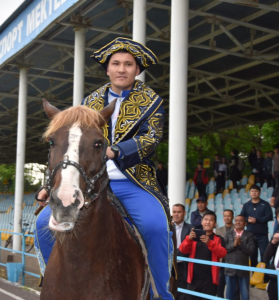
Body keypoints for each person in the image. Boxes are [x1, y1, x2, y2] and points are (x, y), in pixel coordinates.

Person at [36, 37, 174, 299]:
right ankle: (51, 282)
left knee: (156, 228)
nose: (121, 69)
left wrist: (117, 150)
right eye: (116, 64)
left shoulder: (151, 101)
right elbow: (69, 147)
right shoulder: (91, 100)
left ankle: (160, 294)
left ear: (137, 70)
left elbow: (151, 138)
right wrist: (49, 185)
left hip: (133, 182)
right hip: (90, 182)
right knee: (43, 224)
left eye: (128, 64)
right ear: (108, 69)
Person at [179, 211, 227, 299]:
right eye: (206, 219)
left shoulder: (219, 239)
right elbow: (182, 250)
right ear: (201, 222)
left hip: (210, 281)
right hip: (192, 280)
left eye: (211, 220)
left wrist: (210, 243)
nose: (208, 222)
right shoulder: (192, 237)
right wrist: (189, 239)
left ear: (215, 224)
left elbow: (222, 253)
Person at [240, 185, 273, 268]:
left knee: (264, 256)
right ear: (250, 193)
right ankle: (255, 275)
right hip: (250, 235)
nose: (254, 193)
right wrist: (248, 220)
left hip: (262, 235)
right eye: (252, 191)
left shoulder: (265, 204)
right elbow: (242, 216)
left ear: (259, 192)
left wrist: (257, 220)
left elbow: (269, 216)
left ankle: (265, 277)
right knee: (252, 256)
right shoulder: (246, 205)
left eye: (256, 191)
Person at [224, 215, 255, 300]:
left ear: (245, 223)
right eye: (236, 220)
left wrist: (240, 244)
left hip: (243, 269)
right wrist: (233, 245)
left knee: (245, 295)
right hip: (230, 269)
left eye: (240, 220)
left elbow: (251, 250)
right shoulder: (228, 234)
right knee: (230, 294)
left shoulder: (249, 235)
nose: (238, 222)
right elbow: (223, 249)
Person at [172, 204, 194, 300]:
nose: (176, 214)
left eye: (179, 212)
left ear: (184, 213)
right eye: (174, 212)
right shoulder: (166, 227)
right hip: (169, 265)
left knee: (182, 292)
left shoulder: (190, 228)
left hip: (183, 266)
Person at [216, 209, 235, 299]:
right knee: (220, 285)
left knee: (232, 287)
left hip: (232, 261)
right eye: (225, 216)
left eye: (229, 216)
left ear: (232, 217)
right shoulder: (218, 230)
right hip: (221, 261)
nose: (227, 218)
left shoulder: (236, 229)